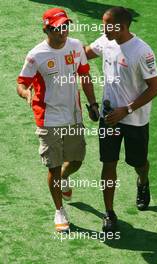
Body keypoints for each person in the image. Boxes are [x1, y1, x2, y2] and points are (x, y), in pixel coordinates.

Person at [17, 8, 99, 232]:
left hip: (73, 115)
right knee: (53, 167)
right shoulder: (36, 55)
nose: (63, 31)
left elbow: (84, 75)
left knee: (77, 161)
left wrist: (93, 104)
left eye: (66, 26)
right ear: (47, 29)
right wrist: (26, 93)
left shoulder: (75, 46)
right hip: (48, 117)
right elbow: (22, 83)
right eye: (57, 28)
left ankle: (63, 178)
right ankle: (59, 210)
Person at [85, 6, 157, 232]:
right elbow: (83, 54)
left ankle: (143, 181)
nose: (103, 29)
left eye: (108, 26)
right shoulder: (105, 41)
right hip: (109, 117)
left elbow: (155, 88)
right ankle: (109, 212)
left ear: (122, 27)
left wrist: (126, 110)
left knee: (138, 163)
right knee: (109, 163)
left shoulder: (142, 51)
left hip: (134, 119)